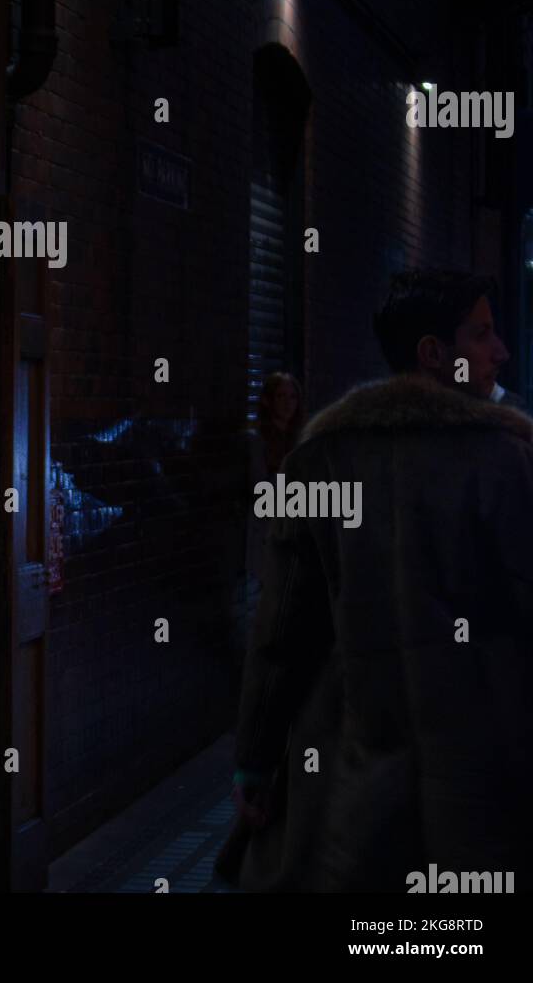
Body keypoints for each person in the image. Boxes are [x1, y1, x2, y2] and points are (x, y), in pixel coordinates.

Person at [224, 269, 533, 892]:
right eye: (482, 334)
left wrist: (255, 763)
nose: (500, 351)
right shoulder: (506, 461)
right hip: (485, 772)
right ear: (432, 352)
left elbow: (282, 635)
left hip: (349, 774)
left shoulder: (318, 463)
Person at [244, 373, 305, 594]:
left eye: (292, 397)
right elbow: (260, 490)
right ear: (269, 400)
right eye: (281, 396)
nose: (288, 403)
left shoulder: (302, 438)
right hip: (269, 529)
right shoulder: (258, 440)